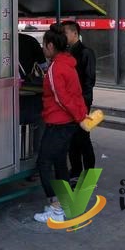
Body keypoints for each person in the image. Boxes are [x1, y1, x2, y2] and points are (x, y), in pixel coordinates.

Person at [33, 25, 88, 223]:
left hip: (59, 123)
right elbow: (76, 94)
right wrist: (81, 116)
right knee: (59, 163)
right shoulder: (68, 63)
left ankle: (56, 208)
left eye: (43, 45)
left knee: (43, 163)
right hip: (68, 123)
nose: (42, 49)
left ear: (50, 46)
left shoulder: (56, 68)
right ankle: (65, 205)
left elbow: (62, 98)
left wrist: (80, 117)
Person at [61, 21, 96, 184]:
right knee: (72, 138)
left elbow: (89, 80)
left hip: (82, 102)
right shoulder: (66, 52)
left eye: (65, 33)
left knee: (83, 137)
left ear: (75, 33)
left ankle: (89, 174)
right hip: (69, 102)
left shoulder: (86, 52)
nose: (63, 37)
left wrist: (82, 101)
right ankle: (76, 170)